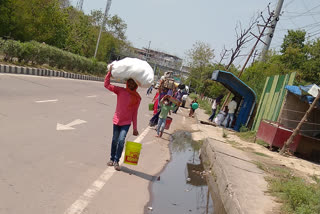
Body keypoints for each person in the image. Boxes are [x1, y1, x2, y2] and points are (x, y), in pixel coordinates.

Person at [104, 65, 141, 171]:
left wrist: (135, 128)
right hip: (117, 120)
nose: (131, 84)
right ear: (127, 83)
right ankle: (111, 158)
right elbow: (106, 85)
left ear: (136, 85)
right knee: (114, 140)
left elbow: (135, 113)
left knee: (121, 141)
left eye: (133, 83)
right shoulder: (120, 91)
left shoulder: (137, 97)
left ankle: (116, 161)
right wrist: (109, 72)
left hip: (126, 122)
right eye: (130, 82)